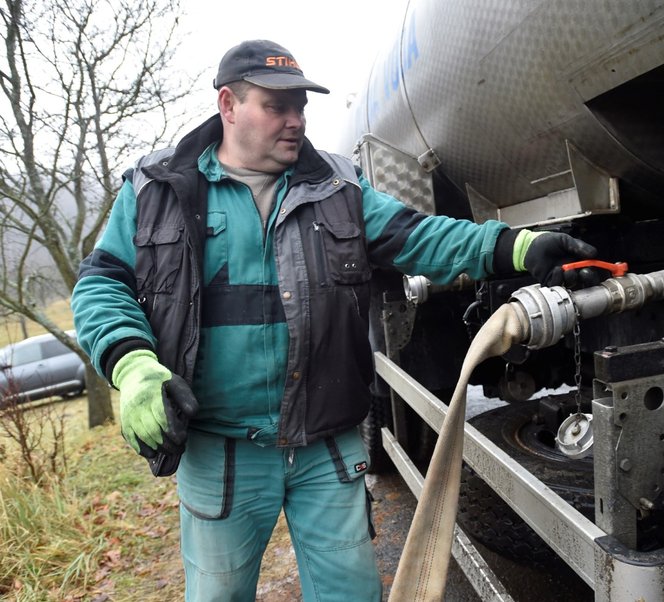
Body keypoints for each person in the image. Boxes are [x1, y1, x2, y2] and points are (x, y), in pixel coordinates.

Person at [70, 40, 595, 601]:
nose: (296, 120)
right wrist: (133, 366)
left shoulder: (338, 189)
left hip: (326, 446)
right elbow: (101, 284)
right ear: (227, 104)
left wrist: (516, 247)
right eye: (277, 106)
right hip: (221, 451)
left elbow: (422, 236)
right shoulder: (156, 192)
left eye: (301, 106)